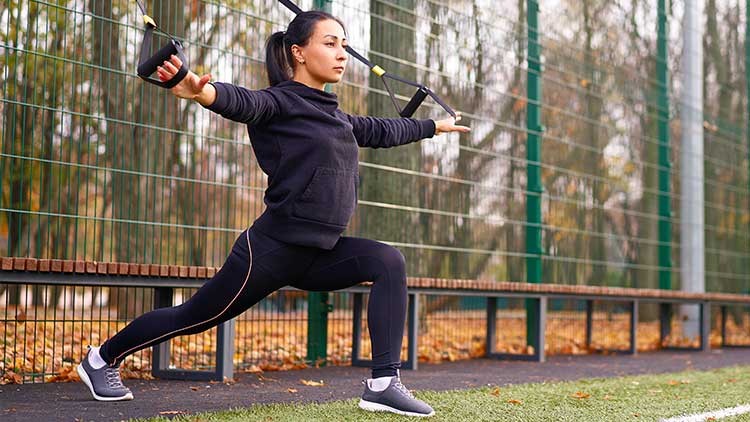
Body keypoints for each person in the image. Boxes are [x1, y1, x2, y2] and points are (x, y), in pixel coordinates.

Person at [77, 10, 469, 417]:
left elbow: (383, 130)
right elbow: (240, 101)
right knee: (193, 317)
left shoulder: (338, 117)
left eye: (343, 45)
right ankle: (101, 359)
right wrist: (198, 91)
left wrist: (432, 128)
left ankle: (384, 383)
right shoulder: (279, 103)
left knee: (387, 260)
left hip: (319, 253)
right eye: (330, 43)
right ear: (298, 52)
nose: (341, 54)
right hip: (270, 253)